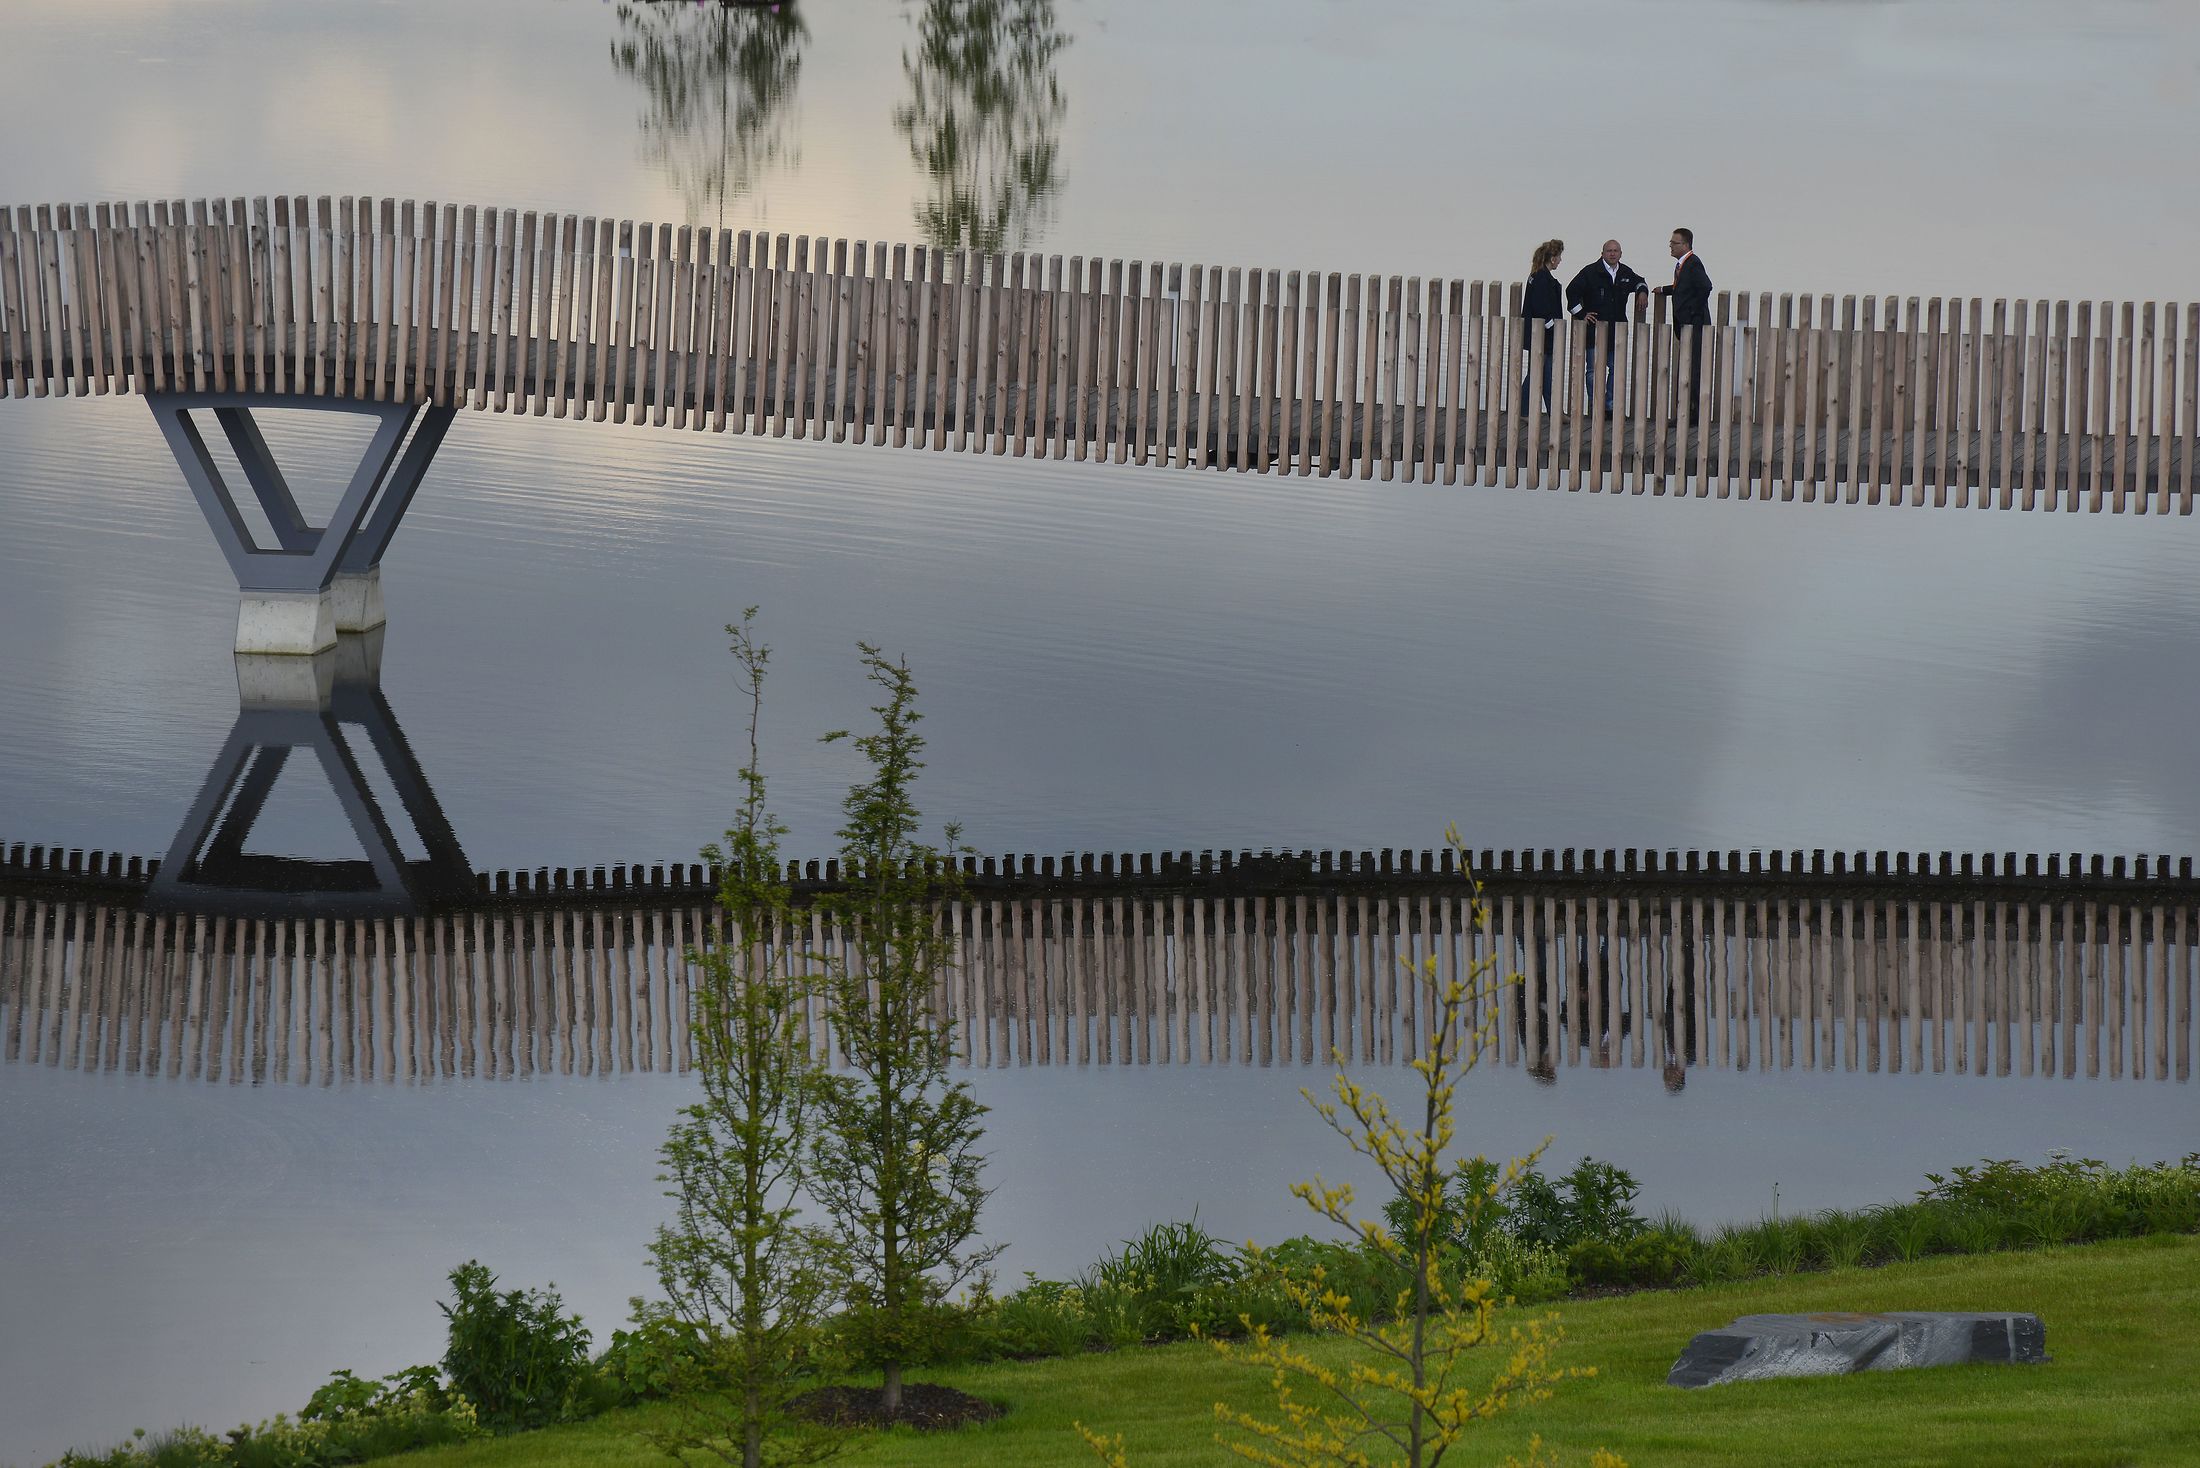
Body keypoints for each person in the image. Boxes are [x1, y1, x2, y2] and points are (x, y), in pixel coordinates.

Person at [1565, 239, 1649, 409]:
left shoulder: (1625, 272)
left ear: (1620, 254)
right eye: (1609, 251)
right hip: (1594, 330)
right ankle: (1595, 404)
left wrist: (1642, 292)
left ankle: (1610, 406)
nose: (1612, 253)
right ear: (1602, 253)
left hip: (1617, 331)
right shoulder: (1590, 272)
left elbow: (1640, 281)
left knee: (1616, 369)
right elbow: (1571, 291)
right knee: (1593, 371)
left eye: (1616, 251)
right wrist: (1581, 314)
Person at [1652, 227, 1713, 421]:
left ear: (1685, 245)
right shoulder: (1683, 264)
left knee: (1692, 369)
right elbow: (1683, 288)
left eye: (1674, 243)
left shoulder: (1693, 263)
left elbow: (1705, 287)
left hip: (1694, 325)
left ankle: (1692, 415)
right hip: (1686, 326)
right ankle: (1686, 412)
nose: (1670, 246)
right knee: (1686, 367)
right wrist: (1664, 289)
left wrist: (1694, 313)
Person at [1519, 238, 1564, 413]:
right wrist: (1552, 325)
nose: (1560, 261)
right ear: (1553, 258)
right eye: (1559, 257)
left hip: (1540, 333)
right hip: (1540, 334)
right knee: (1537, 372)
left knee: (1545, 373)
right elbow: (1539, 306)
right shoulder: (1541, 277)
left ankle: (1554, 411)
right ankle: (1522, 410)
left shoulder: (1538, 275)